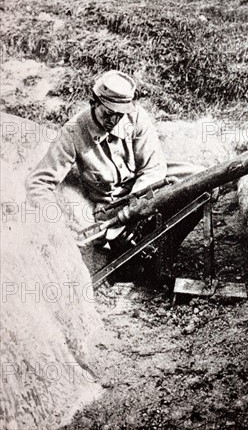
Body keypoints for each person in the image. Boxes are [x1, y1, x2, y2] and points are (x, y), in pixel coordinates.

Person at [26, 70, 205, 278]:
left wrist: (138, 208)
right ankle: (136, 260)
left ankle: (163, 251)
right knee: (91, 246)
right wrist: (54, 224)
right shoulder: (73, 131)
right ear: (94, 102)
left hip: (146, 190)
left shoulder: (136, 117)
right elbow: (38, 182)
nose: (113, 120)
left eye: (119, 114)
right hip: (110, 207)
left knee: (200, 180)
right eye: (108, 113)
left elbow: (153, 168)